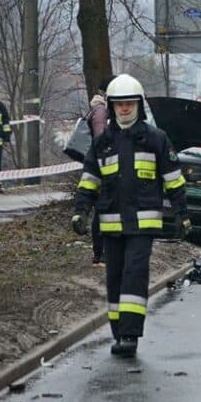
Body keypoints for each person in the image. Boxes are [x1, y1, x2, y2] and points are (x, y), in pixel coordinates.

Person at [71, 74, 191, 357]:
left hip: (143, 224)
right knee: (114, 278)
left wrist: (182, 214)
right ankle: (118, 332)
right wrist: (80, 212)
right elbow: (89, 181)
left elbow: (174, 180)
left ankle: (130, 334)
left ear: (138, 105)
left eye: (129, 104)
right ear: (112, 107)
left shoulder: (156, 139)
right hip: (111, 225)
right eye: (119, 105)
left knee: (134, 275)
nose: (124, 109)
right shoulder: (102, 143)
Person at [87, 76, 114, 267]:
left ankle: (105, 253)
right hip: (103, 170)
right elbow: (101, 141)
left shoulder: (105, 110)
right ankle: (100, 254)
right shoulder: (101, 112)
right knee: (102, 211)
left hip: (107, 168)